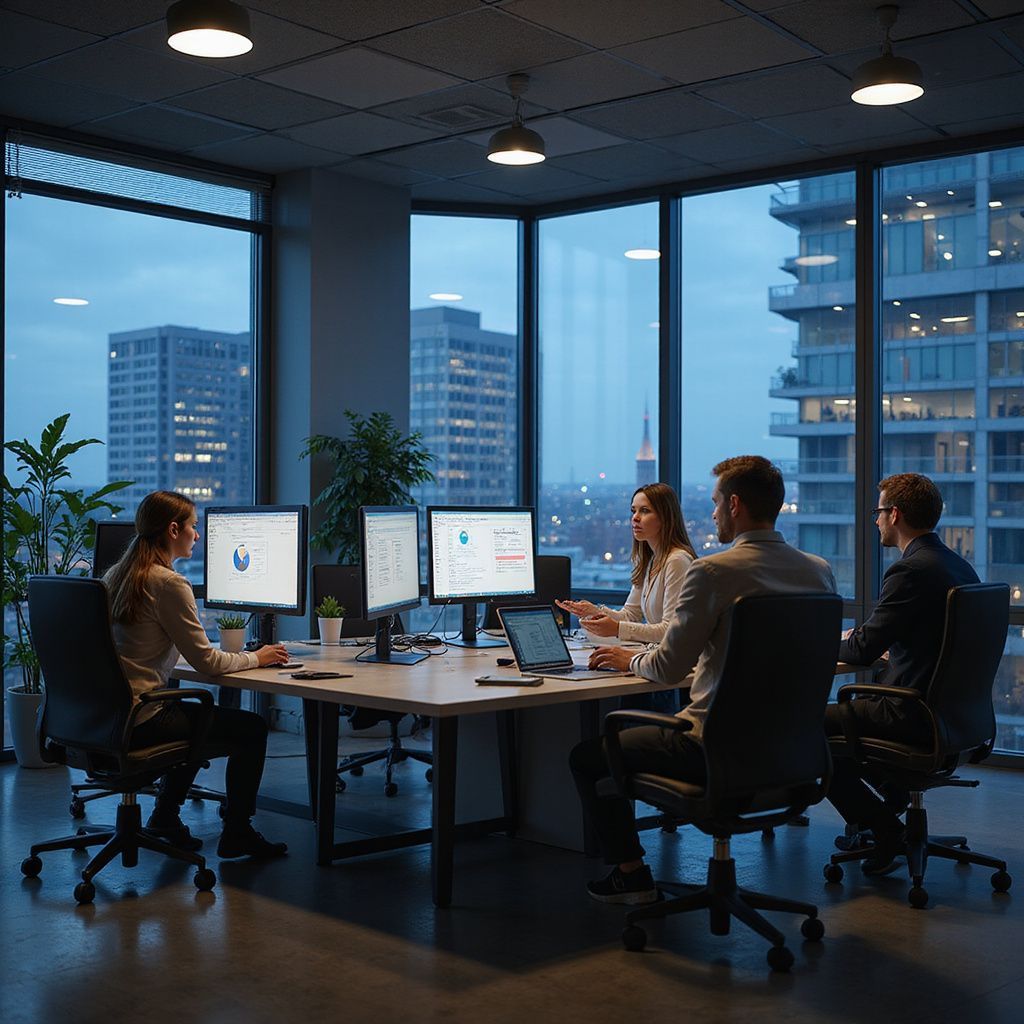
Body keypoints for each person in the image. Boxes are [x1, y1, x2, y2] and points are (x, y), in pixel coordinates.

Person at [571, 456, 836, 904]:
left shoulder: (712, 572)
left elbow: (668, 668)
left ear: (734, 505)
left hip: (712, 748)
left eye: (715, 503)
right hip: (794, 752)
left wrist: (628, 660)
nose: (712, 514)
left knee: (587, 757)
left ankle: (631, 874)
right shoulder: (819, 570)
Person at [104, 490, 290, 859]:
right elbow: (208, 663)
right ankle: (237, 831)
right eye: (193, 526)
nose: (198, 534)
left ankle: (164, 817)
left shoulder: (117, 575)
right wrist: (258, 657)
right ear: (173, 530)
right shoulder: (168, 584)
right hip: (141, 719)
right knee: (250, 728)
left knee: (194, 715)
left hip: (104, 717)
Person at [825, 473, 979, 874]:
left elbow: (862, 649)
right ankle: (887, 801)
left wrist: (821, 643)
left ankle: (884, 828)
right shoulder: (958, 566)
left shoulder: (910, 570)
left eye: (878, 512)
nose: (875, 520)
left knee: (807, 726)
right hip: (957, 717)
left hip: (910, 713)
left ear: (894, 514)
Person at [556, 483, 696, 713]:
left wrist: (617, 629)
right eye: (633, 511)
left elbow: (670, 631)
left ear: (665, 517)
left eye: (645, 511)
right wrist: (595, 611)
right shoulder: (651, 559)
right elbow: (630, 614)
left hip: (667, 671)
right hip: (651, 661)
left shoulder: (677, 561)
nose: (635, 518)